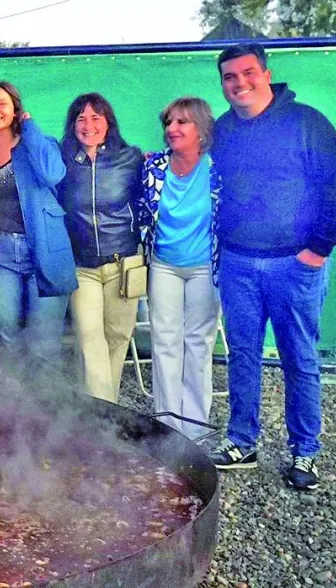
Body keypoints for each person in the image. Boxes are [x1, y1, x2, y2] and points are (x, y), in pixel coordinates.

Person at [207, 43, 336, 491]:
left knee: (299, 357)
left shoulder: (306, 122)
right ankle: (241, 441)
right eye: (229, 77)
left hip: (295, 265)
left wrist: (319, 248)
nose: (239, 83)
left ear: (267, 74)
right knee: (244, 355)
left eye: (248, 73)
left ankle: (305, 451)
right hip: (238, 263)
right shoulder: (223, 130)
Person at [0, 81, 77, 379]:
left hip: (43, 250)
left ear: (16, 109)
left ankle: (45, 417)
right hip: (1, 254)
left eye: (3, 103)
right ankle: (16, 414)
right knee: (9, 339)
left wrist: (29, 128)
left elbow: (52, 174)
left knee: (44, 346)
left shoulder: (39, 143)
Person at [138, 97, 221, 439]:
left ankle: (197, 429)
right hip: (164, 266)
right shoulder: (153, 166)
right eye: (169, 123)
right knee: (165, 343)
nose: (172, 129)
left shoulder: (219, 168)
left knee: (198, 345)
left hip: (204, 268)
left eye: (182, 122)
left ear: (201, 130)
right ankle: (168, 426)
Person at [58, 93, 145, 403]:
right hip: (83, 266)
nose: (89, 125)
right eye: (81, 118)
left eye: (96, 117)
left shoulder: (131, 158)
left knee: (118, 338)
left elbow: (145, 201)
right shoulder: (63, 160)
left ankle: (106, 408)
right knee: (90, 339)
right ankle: (103, 417)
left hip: (126, 263)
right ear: (72, 125)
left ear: (109, 122)